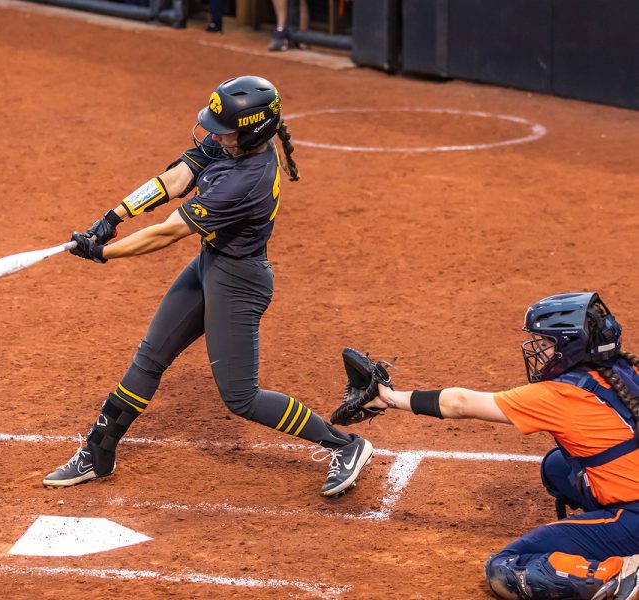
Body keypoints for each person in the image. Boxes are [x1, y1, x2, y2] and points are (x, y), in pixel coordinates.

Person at [43, 75, 374, 497]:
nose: (216, 137)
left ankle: (345, 445)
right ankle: (97, 452)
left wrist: (103, 253)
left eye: (226, 131)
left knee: (241, 398)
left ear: (251, 130)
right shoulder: (232, 142)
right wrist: (114, 217)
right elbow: (176, 180)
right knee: (150, 357)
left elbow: (167, 232)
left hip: (239, 281)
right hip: (210, 266)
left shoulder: (245, 181)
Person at [361, 292, 639, 600]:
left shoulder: (560, 395)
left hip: (634, 518)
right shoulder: (628, 371)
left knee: (506, 567)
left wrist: (388, 398)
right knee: (557, 468)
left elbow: (461, 403)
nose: (540, 350)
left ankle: (623, 573)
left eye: (546, 343)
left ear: (569, 345)